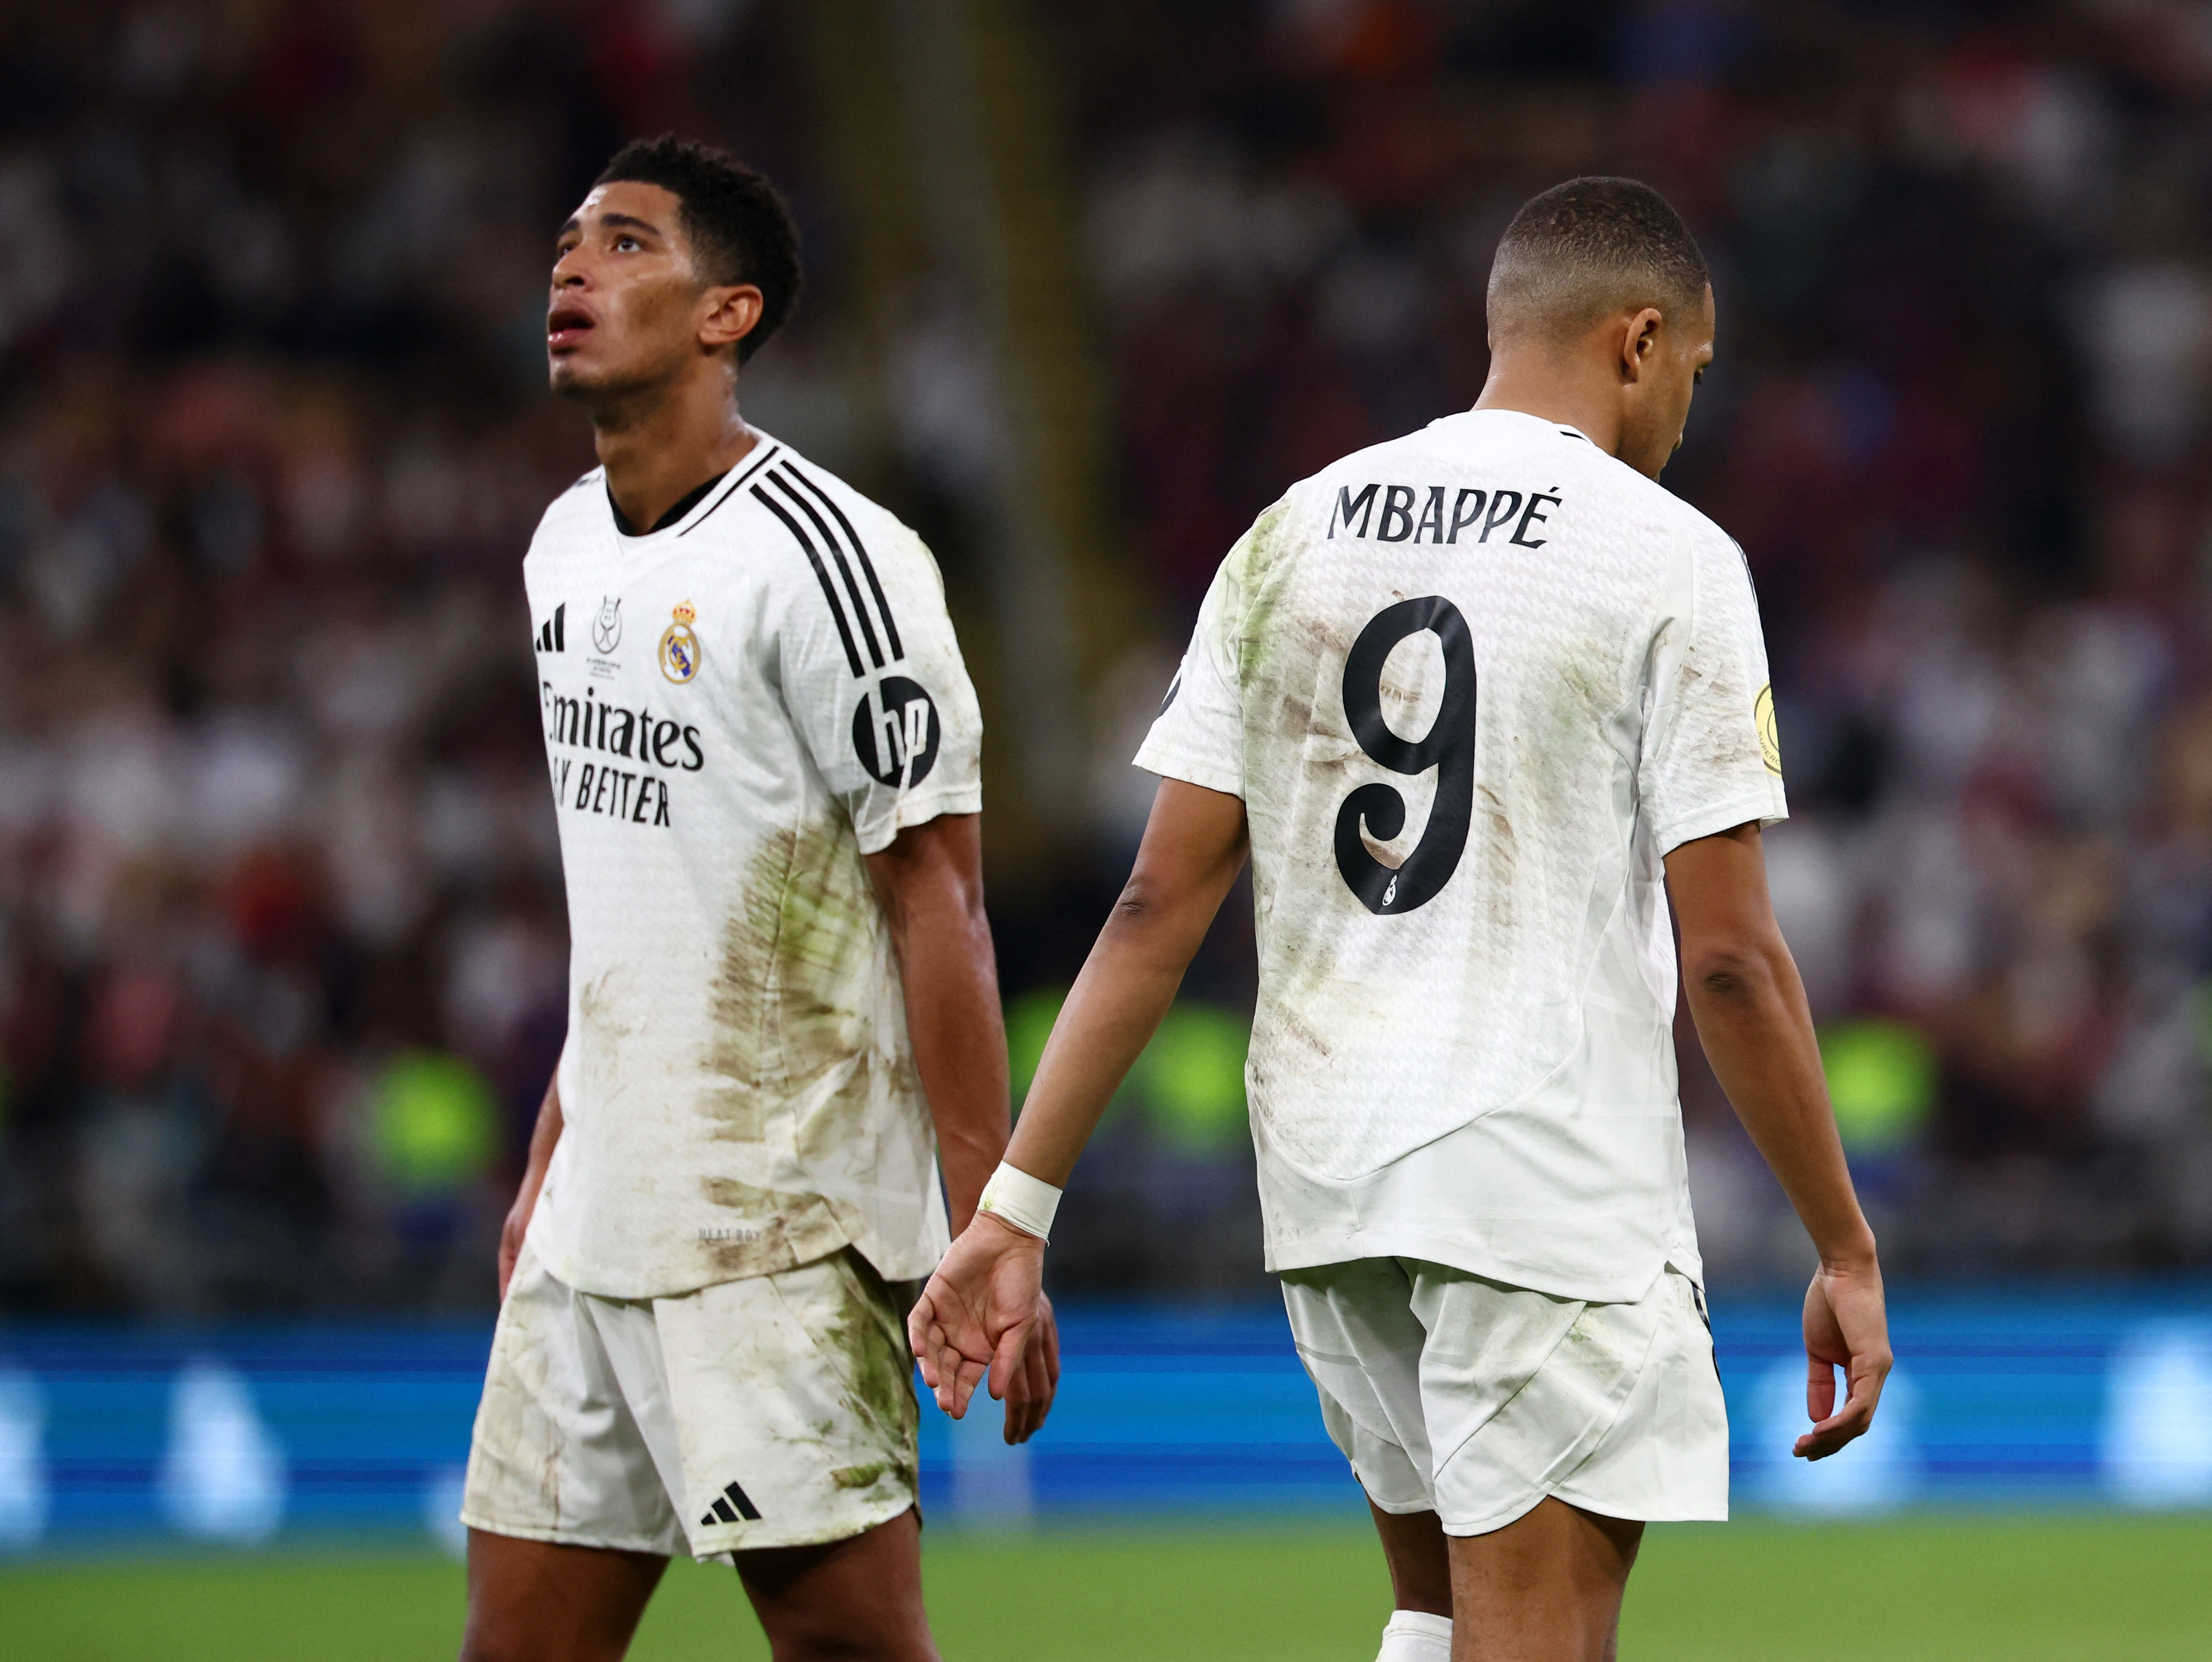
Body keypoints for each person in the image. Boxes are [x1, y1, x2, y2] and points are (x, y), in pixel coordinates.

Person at [911, 176, 1891, 1662]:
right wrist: (1842, 1244)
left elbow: (1155, 902)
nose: (1688, 409)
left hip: (1330, 1183)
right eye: (1694, 370)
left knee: (1435, 1618)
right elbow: (1732, 963)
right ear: (1637, 342)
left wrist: (1013, 1208)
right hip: (1532, 1181)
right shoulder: (1666, 555)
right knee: (1538, 1639)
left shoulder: (1291, 533)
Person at [457, 134, 1058, 1662]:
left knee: (849, 1647)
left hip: (776, 1224)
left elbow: (940, 903)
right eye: (569, 239)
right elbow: (637, 902)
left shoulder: (833, 563)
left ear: (727, 315)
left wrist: (991, 1223)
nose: (572, 266)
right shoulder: (562, 545)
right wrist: (552, 1157)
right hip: (593, 1221)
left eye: (625, 244)